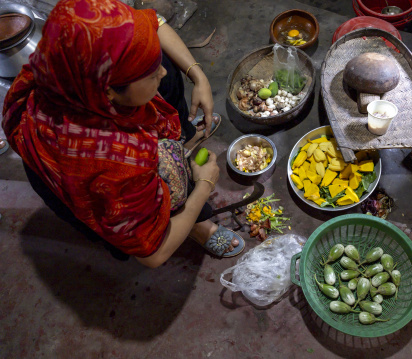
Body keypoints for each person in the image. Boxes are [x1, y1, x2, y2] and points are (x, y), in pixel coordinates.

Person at [2, 0, 244, 268]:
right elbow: (152, 256)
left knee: (164, 61)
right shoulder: (118, 165)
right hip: (89, 188)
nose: (160, 73)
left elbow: (153, 25)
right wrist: (204, 185)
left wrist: (198, 76)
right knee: (173, 173)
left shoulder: (67, 60)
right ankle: (194, 223)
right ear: (108, 92)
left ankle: (183, 142)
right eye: (150, 75)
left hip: (78, 151)